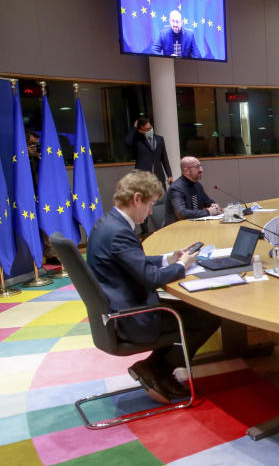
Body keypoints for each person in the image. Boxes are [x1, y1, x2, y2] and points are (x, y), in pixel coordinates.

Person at [86, 170, 220, 403]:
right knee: (207, 318)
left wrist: (167, 259)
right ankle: (157, 369)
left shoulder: (107, 223)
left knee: (197, 312)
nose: (150, 212)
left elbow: (131, 262)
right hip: (133, 316)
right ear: (136, 198)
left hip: (118, 307)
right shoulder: (119, 232)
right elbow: (150, 278)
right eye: (150, 205)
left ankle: (153, 368)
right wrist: (181, 266)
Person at [26, 129, 61, 266]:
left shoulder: (40, 156)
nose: (35, 147)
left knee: (46, 223)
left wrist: (38, 155)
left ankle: (51, 254)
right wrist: (25, 155)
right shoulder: (20, 156)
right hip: (27, 194)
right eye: (31, 144)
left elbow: (50, 169)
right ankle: (33, 257)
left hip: (42, 193)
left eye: (37, 145)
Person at [165, 157, 222, 225]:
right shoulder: (176, 188)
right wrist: (208, 212)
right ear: (186, 171)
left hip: (195, 225)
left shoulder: (197, 185)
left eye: (200, 166)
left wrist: (215, 206)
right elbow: (182, 213)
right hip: (177, 229)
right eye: (197, 167)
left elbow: (208, 202)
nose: (201, 169)